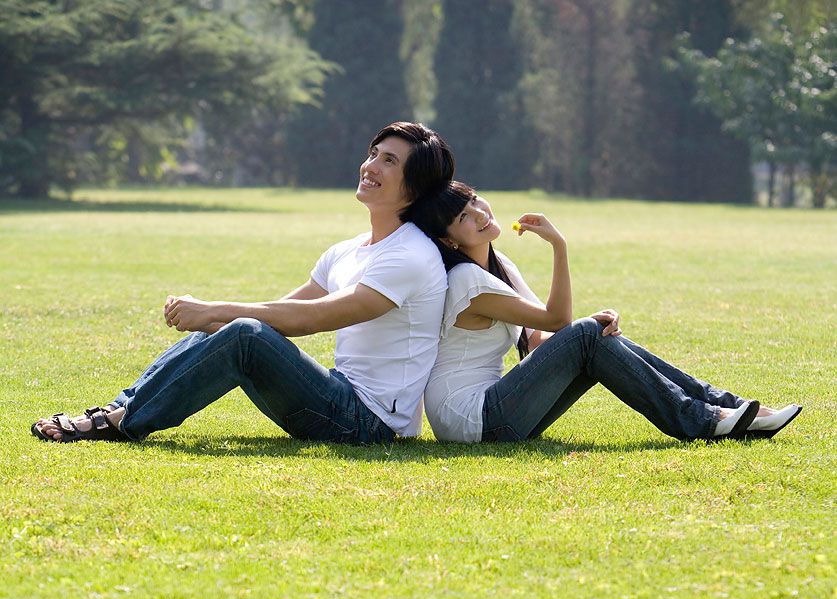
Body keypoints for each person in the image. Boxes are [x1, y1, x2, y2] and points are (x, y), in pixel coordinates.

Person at [31, 122, 455, 447]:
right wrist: (213, 321)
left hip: (368, 421)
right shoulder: (349, 250)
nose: (371, 166)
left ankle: (122, 422)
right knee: (237, 329)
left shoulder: (411, 255)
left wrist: (215, 310)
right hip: (340, 394)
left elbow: (315, 318)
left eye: (389, 162)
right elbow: (279, 312)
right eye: (374, 154)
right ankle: (120, 408)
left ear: (415, 187)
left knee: (241, 330)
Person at [403, 182, 802, 445]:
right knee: (585, 335)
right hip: (470, 419)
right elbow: (558, 322)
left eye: (474, 201)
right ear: (448, 239)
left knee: (596, 336)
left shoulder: (499, 264)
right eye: (463, 218)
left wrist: (587, 328)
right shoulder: (467, 280)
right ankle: (708, 419)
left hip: (489, 414)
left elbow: (539, 339)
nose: (479, 214)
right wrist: (558, 246)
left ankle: (727, 409)